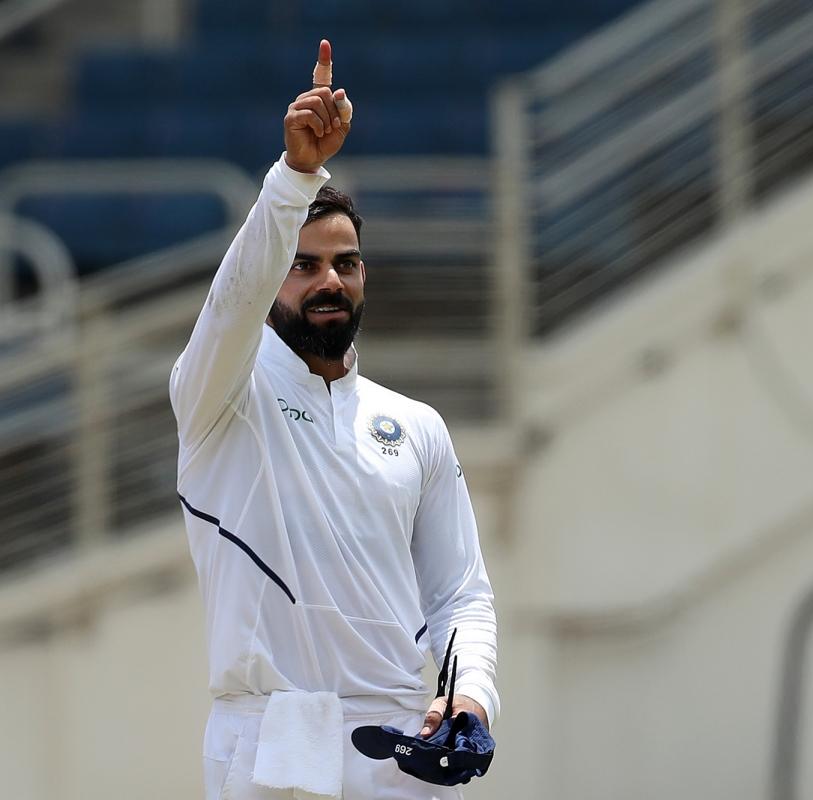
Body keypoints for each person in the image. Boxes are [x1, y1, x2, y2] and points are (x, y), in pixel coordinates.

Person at [169, 39, 498, 800]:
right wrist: (293, 180)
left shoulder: (414, 425)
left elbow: (461, 593)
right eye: (305, 263)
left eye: (346, 264)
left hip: (403, 750)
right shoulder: (220, 395)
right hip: (270, 746)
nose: (329, 281)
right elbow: (232, 303)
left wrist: (469, 696)